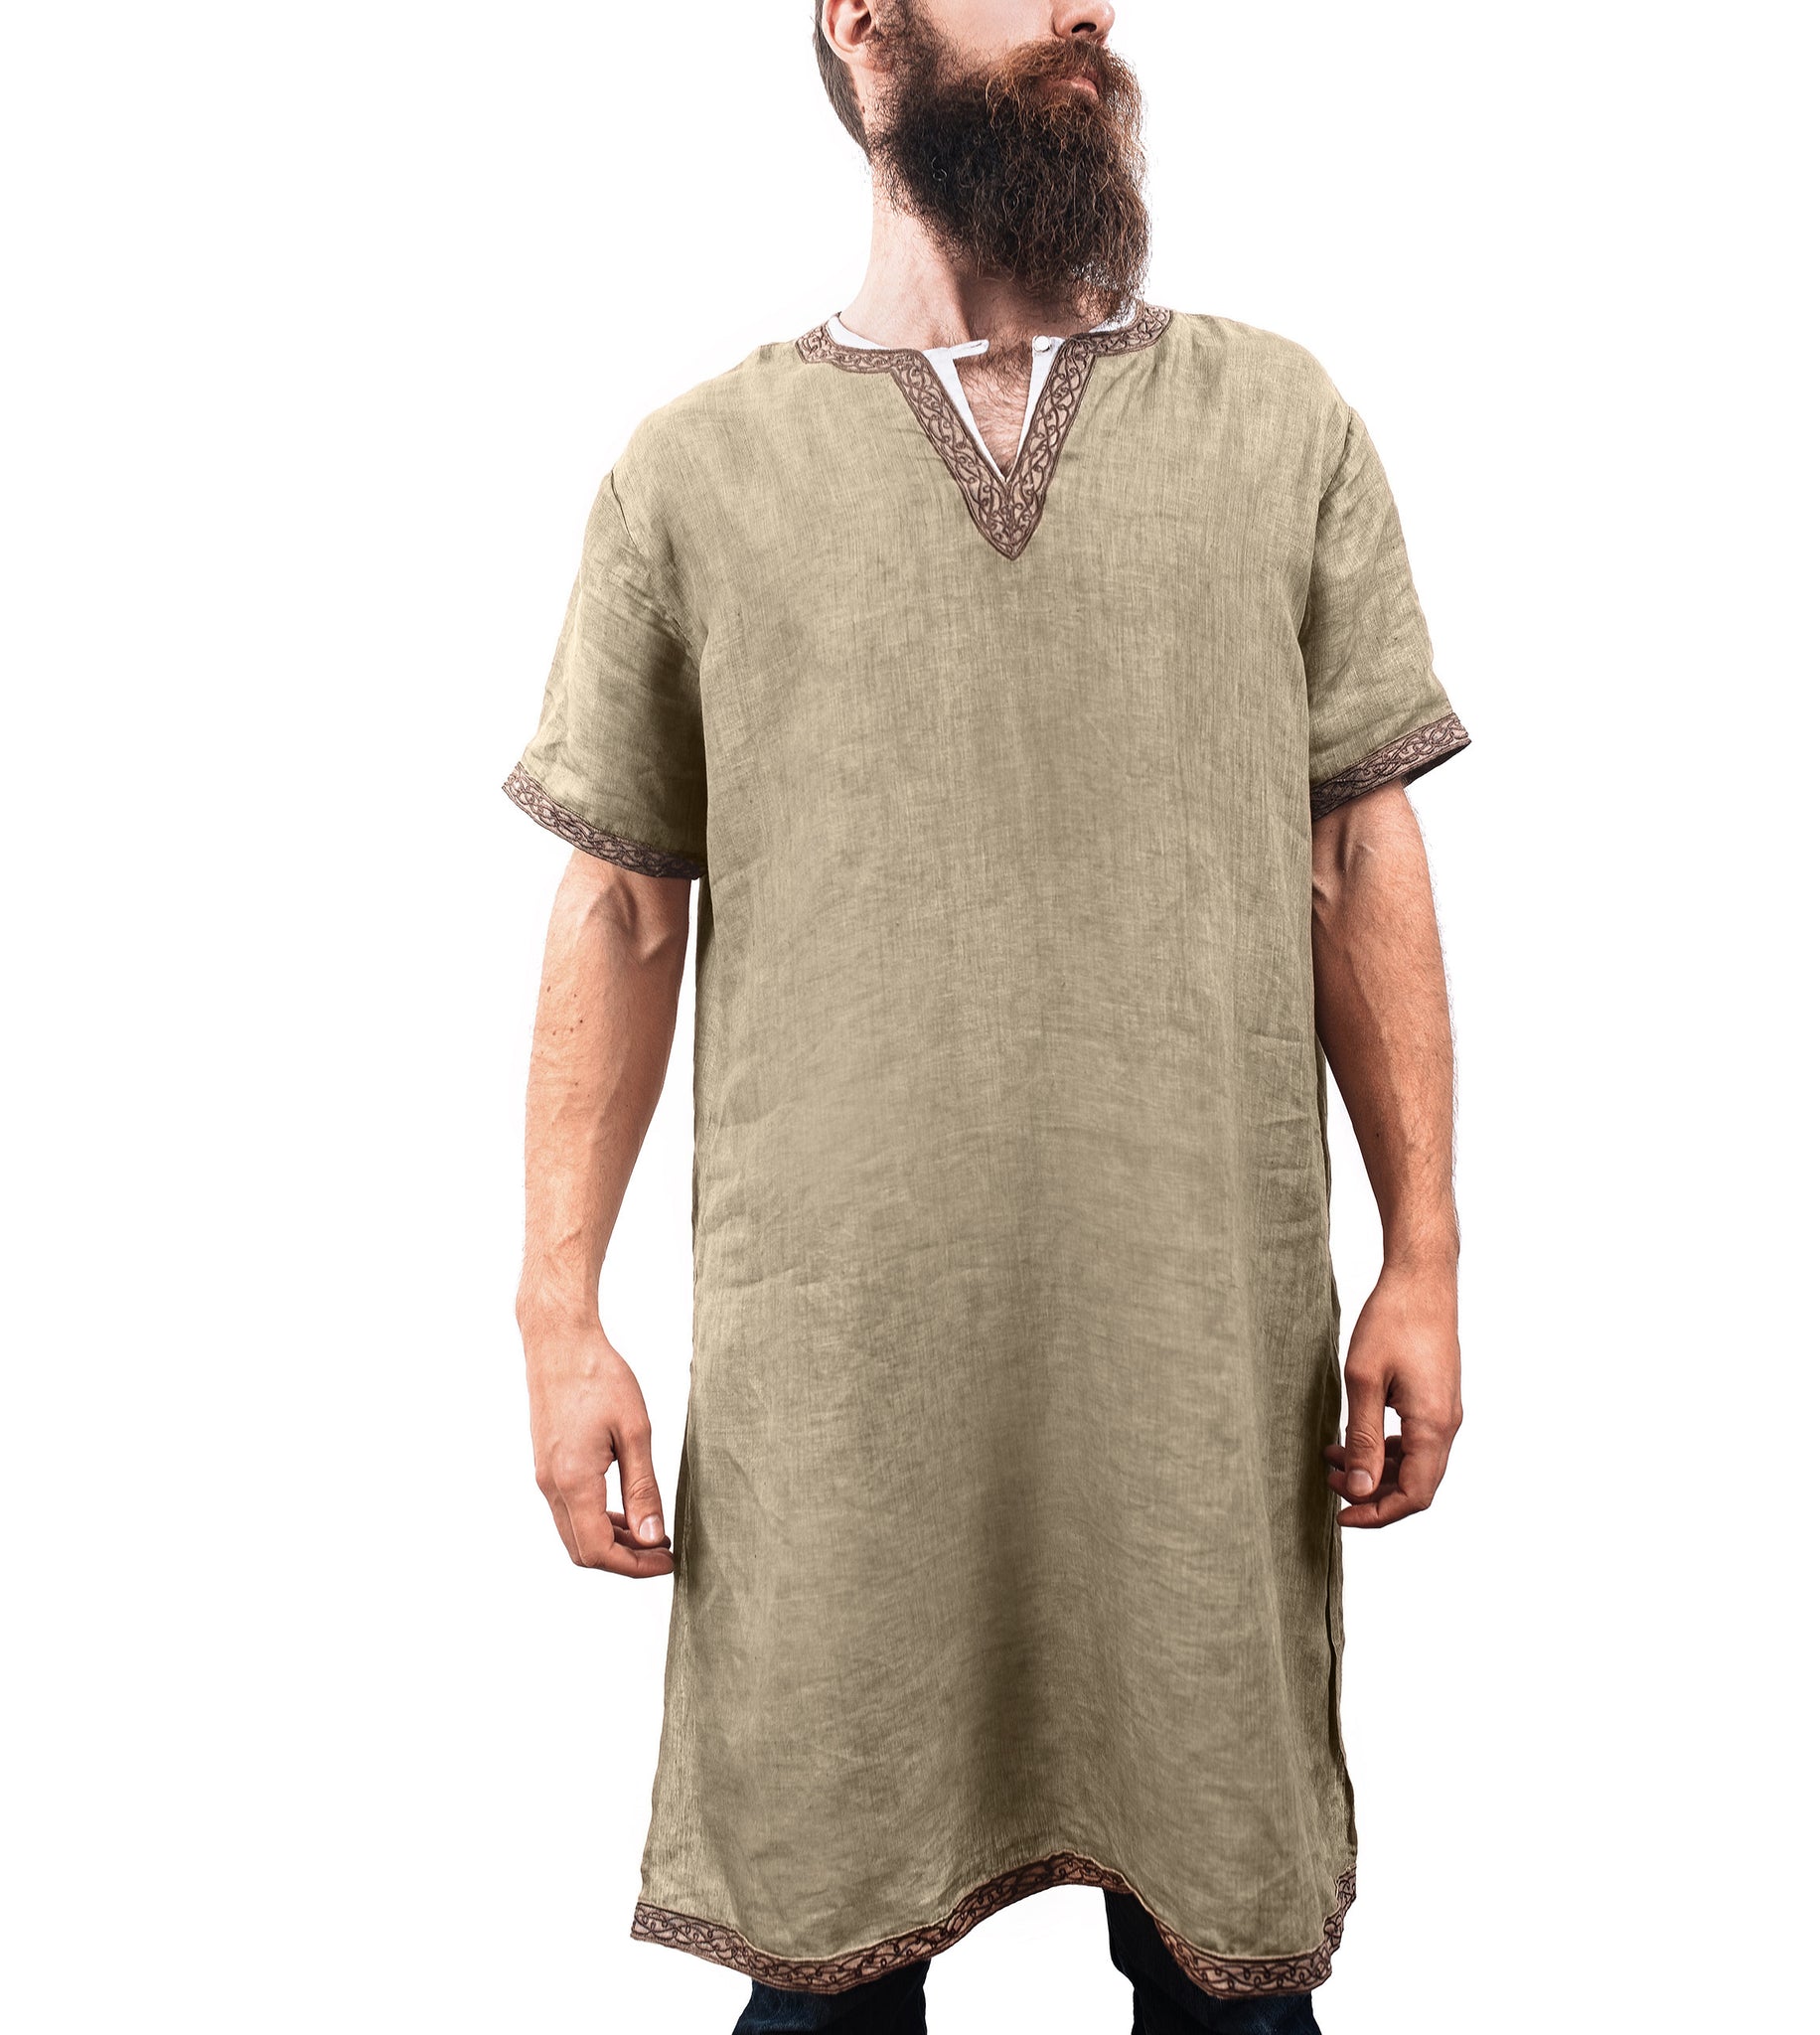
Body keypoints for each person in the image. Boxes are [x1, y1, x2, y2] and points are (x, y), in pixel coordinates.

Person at [506, 3, 1469, 2028]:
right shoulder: (695, 474)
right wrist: (557, 1312)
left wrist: (1425, 1257)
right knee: (823, 1963)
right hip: (841, 1404)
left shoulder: (1276, 422)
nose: (1089, 10)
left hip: (1196, 1387)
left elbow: (1355, 850)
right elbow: (621, 907)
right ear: (864, 21)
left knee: (1230, 1976)